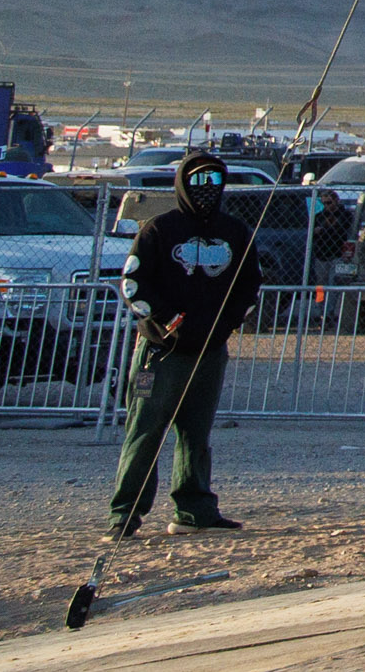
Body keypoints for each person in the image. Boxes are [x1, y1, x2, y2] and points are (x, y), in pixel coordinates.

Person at [111, 152, 262, 536]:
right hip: (162, 353)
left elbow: (249, 287)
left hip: (209, 351)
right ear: (182, 183)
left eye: (214, 182)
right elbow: (133, 284)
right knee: (145, 431)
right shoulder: (158, 230)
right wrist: (166, 320)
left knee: (196, 434)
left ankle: (194, 511)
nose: (206, 190)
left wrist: (223, 326)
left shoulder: (235, 232)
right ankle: (125, 514)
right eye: (199, 181)